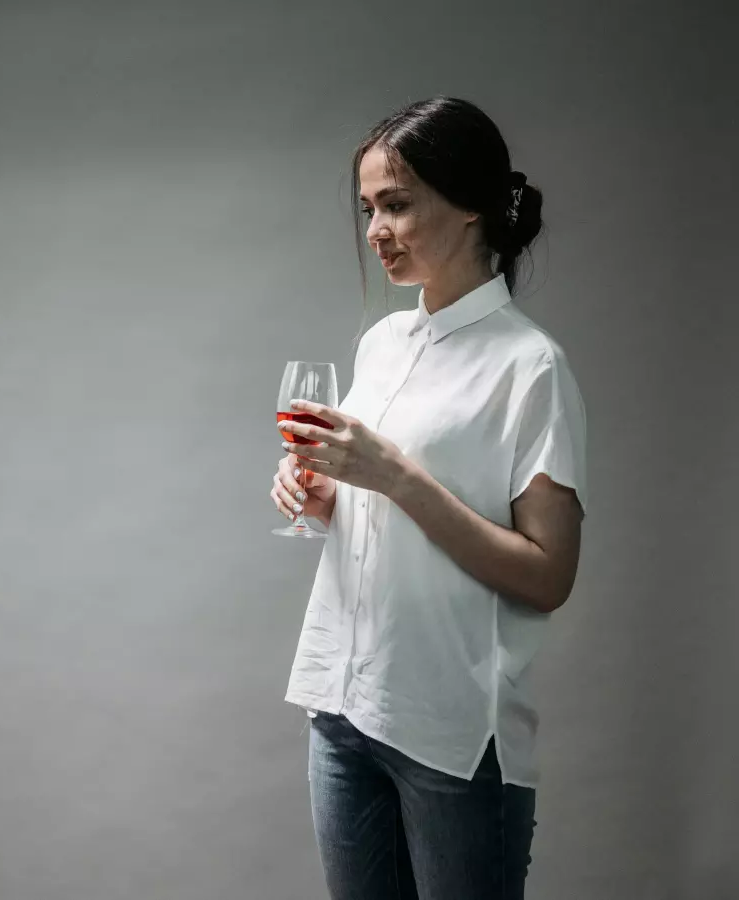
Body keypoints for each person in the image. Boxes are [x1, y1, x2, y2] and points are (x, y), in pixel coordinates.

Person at [269, 95, 588, 900]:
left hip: (450, 729)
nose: (375, 228)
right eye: (369, 206)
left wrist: (396, 477)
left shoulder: (531, 368)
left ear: (473, 201)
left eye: (398, 204)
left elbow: (549, 575)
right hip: (343, 708)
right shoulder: (379, 345)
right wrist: (325, 503)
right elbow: (379, 514)